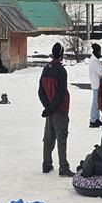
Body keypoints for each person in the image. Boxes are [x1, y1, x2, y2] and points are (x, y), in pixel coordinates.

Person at [38, 43, 75, 177]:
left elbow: (40, 91)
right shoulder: (61, 70)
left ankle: (46, 164)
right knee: (61, 138)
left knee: (48, 138)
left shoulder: (46, 69)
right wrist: (52, 107)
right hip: (60, 110)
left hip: (50, 110)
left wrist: (47, 107)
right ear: (61, 55)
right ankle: (63, 167)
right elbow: (60, 94)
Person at [88, 43, 102, 128]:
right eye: (100, 51)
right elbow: (100, 71)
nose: (100, 53)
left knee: (97, 102)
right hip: (96, 84)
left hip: (97, 84)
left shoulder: (94, 59)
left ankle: (96, 118)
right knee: (95, 102)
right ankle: (93, 120)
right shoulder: (94, 61)